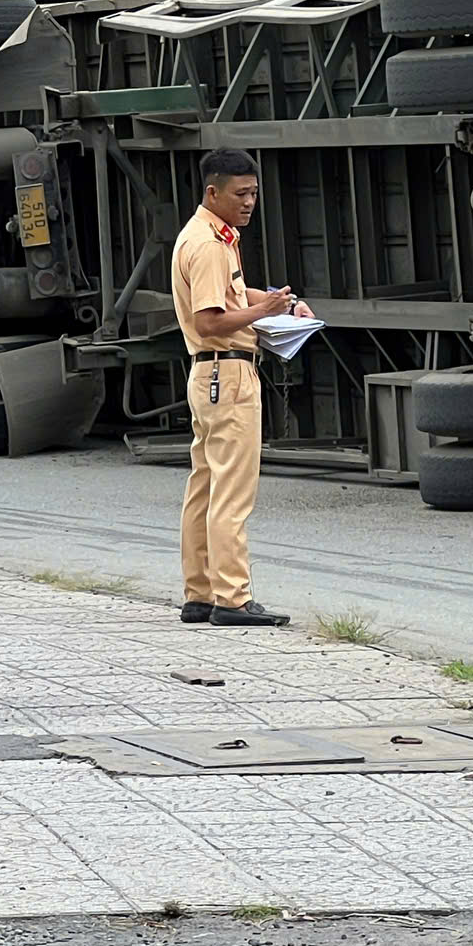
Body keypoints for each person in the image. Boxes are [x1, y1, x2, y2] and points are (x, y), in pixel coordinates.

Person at [171, 148, 313, 627]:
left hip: (207, 375)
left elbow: (229, 296)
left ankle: (200, 593)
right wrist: (262, 312)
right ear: (213, 192)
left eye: (254, 193)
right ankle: (232, 598)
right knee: (232, 491)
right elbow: (210, 320)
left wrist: (280, 303)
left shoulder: (206, 235)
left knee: (205, 486)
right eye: (241, 194)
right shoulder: (210, 246)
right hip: (227, 375)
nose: (250, 202)